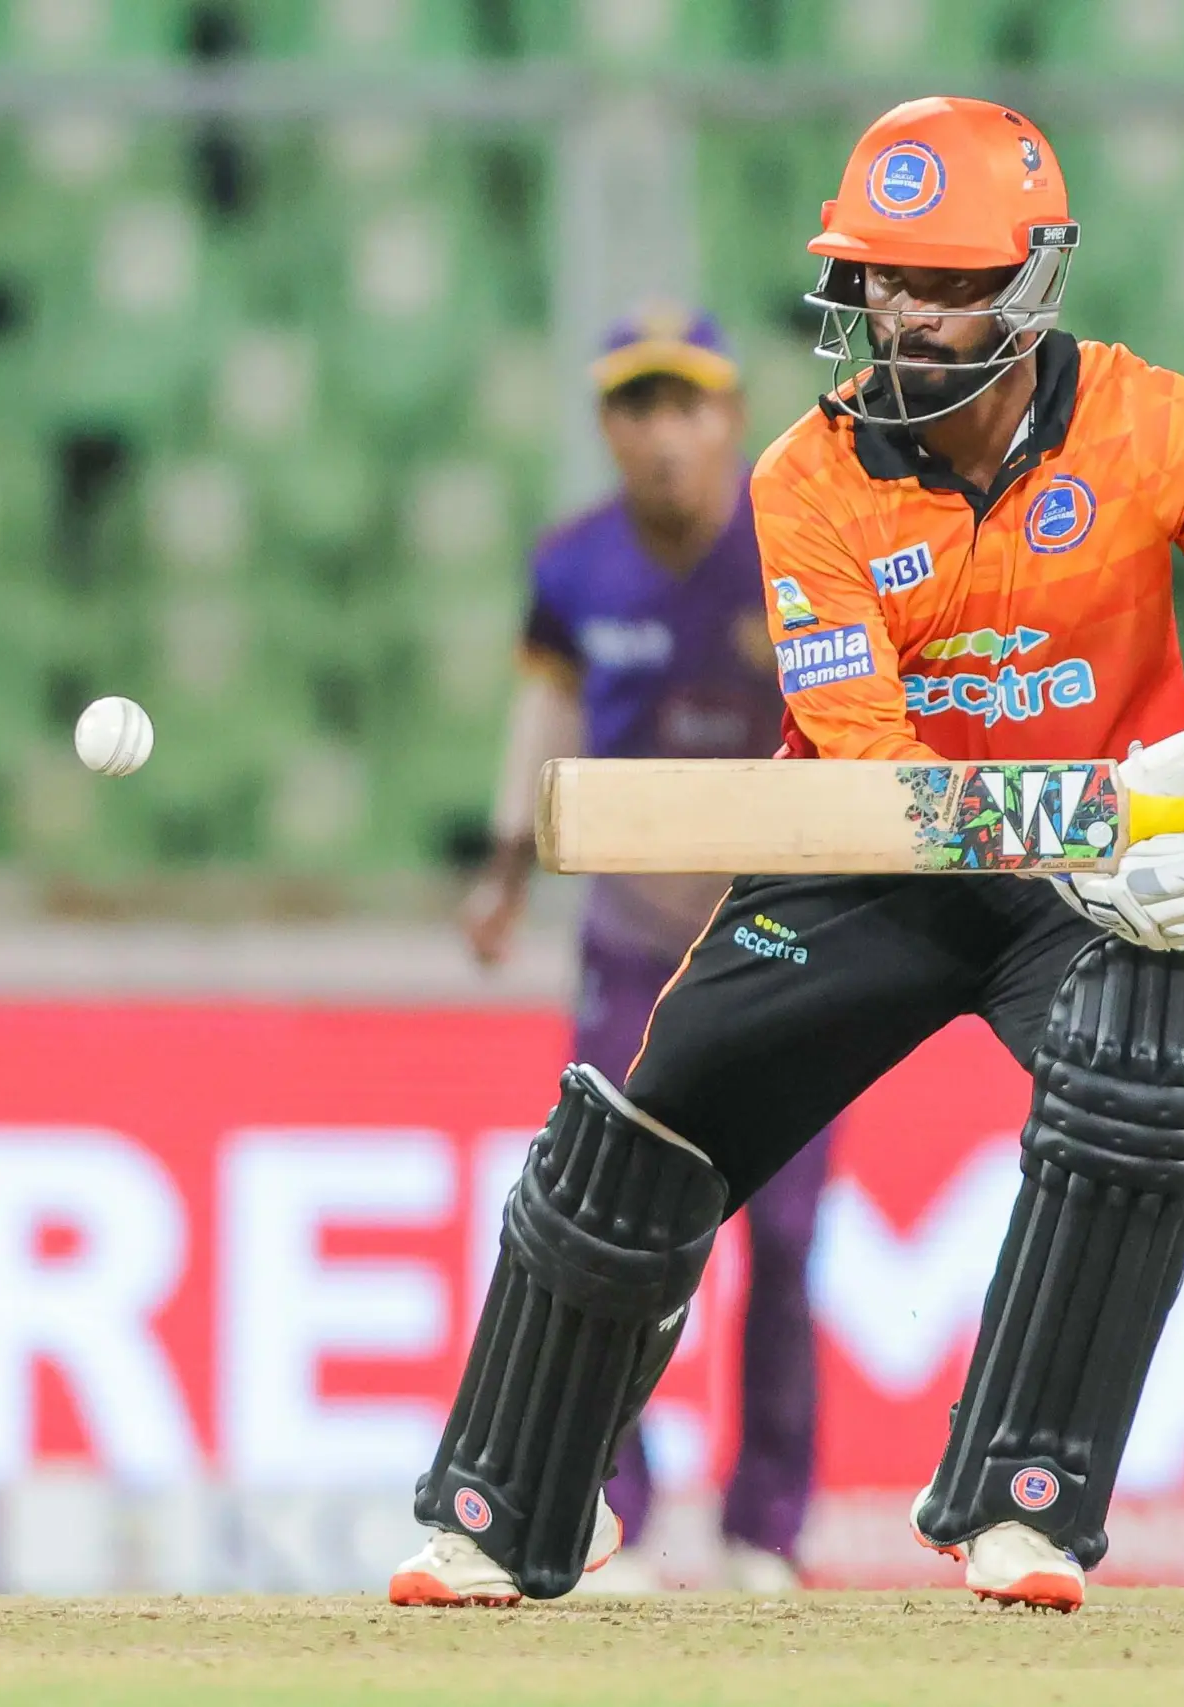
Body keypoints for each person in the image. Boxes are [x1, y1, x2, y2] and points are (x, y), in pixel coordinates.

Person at [392, 96, 1184, 1612]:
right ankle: (507, 1507)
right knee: (648, 1138)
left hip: (1080, 887)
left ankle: (1025, 1506)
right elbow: (872, 752)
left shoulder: (1145, 421)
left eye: (951, 284)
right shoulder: (805, 481)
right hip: (866, 864)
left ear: (1033, 282)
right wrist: (1082, 823)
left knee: (1156, 1064)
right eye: (889, 280)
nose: (910, 317)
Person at [458, 304, 829, 1593]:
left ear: (730, 418)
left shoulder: (798, 552)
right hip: (631, 949)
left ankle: (765, 1529)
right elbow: (546, 712)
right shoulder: (573, 567)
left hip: (783, 943)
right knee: (610, 1238)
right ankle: (607, 1509)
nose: (664, 434)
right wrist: (505, 866)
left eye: (686, 405)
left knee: (786, 1241)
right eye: (637, 406)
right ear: (607, 427)